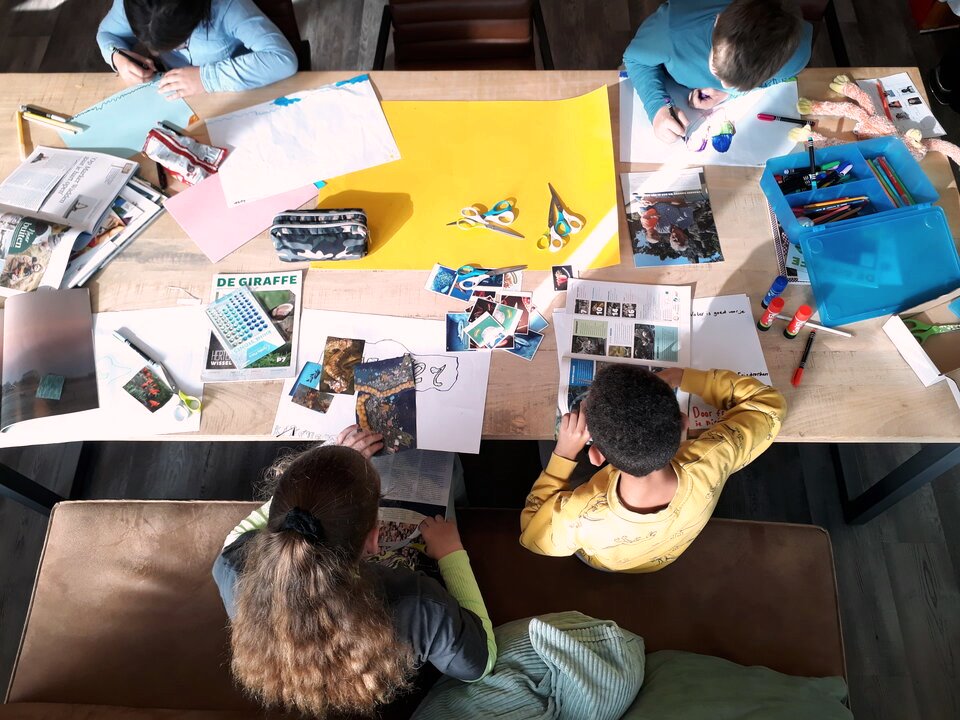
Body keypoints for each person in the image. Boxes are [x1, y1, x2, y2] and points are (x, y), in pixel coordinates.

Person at [212, 426, 496, 718]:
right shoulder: (416, 605)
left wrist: (325, 475)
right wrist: (452, 554)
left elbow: (236, 537)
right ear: (373, 540)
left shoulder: (234, 571)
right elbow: (479, 665)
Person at [520, 366, 786, 572]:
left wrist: (563, 454)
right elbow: (768, 405)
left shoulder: (580, 515)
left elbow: (532, 534)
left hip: (608, 561)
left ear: (596, 454)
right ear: (683, 424)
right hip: (666, 554)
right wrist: (682, 375)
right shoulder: (714, 455)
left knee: (548, 439)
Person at [624, 0, 812, 144]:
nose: (722, 84)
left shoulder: (796, 54)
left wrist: (729, 94)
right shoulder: (673, 30)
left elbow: (776, 80)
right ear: (717, 21)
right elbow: (634, 59)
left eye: (741, 82)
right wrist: (657, 107)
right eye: (715, 68)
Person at [96, 0, 298, 98]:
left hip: (240, 87)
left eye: (179, 44)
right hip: (183, 96)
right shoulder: (133, 4)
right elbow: (107, 34)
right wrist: (118, 58)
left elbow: (282, 60)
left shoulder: (227, 6)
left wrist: (206, 78)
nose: (155, 55)